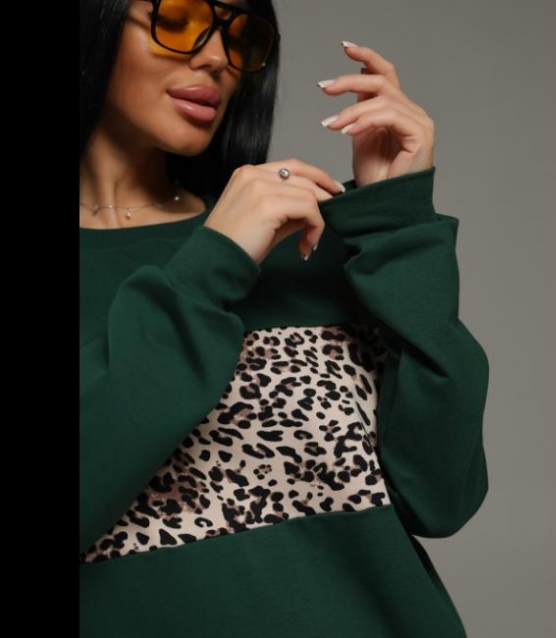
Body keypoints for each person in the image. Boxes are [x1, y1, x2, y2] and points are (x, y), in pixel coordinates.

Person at [79, 0, 490, 636]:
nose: (216, 58)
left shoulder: (298, 240)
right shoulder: (232, 251)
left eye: (241, 35)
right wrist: (210, 267)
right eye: (179, 18)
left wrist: (398, 224)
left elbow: (441, 497)